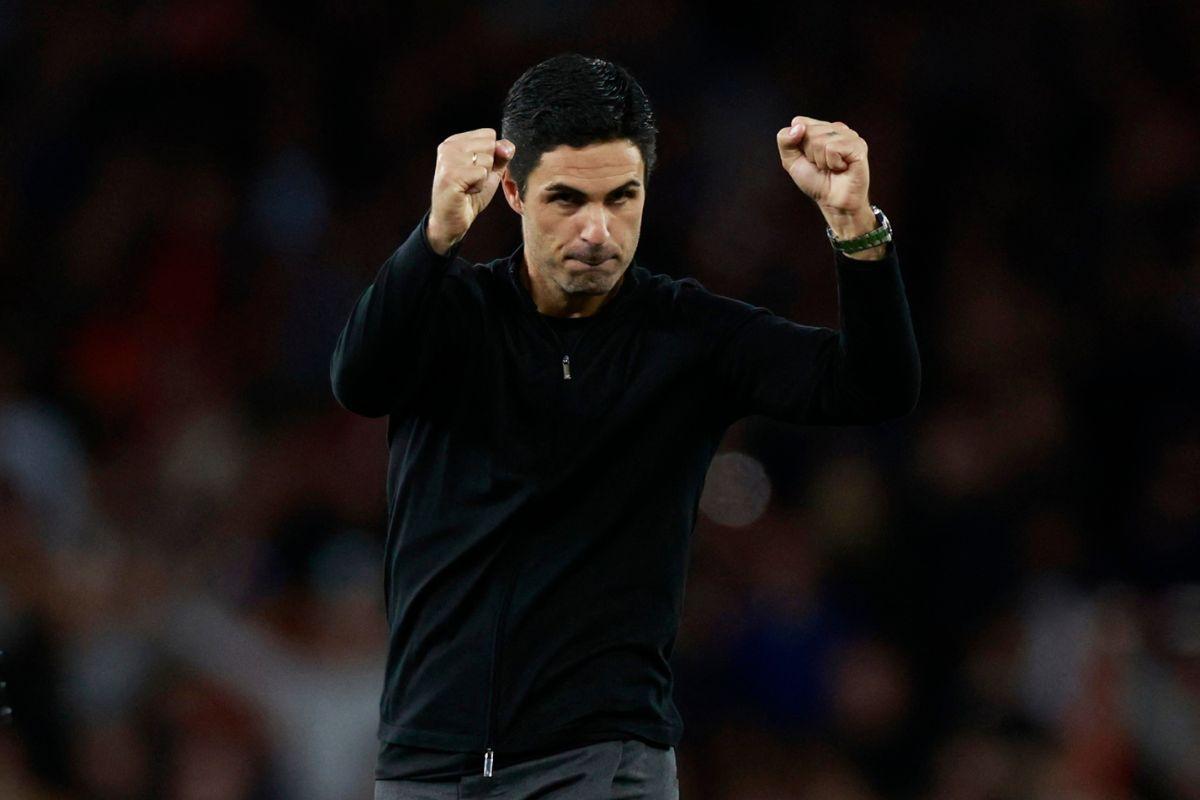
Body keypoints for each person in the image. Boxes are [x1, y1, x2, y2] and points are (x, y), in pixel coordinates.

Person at [330, 52, 920, 800]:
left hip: (602, 765)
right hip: (426, 765)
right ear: (511, 191)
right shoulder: (446, 316)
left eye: (622, 198)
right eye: (567, 200)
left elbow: (876, 386)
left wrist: (854, 226)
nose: (597, 232)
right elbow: (359, 380)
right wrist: (435, 235)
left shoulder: (687, 335)